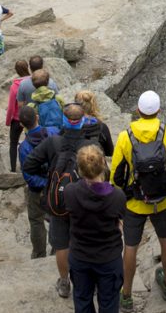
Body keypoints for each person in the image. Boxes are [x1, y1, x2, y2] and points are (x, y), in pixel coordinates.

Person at [22, 102, 106, 298]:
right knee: (87, 241)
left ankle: (64, 282)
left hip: (59, 201)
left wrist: (49, 180)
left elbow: (29, 165)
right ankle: (88, 281)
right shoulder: (91, 146)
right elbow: (102, 174)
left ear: (64, 120)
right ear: (82, 121)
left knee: (61, 244)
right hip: (85, 201)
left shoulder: (53, 142)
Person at [111, 90, 166, 313]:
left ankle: (126, 296)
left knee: (130, 247)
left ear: (138, 111)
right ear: (159, 111)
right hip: (162, 200)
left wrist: (121, 198)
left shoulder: (126, 136)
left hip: (134, 202)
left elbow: (116, 175)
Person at [65, 144, 126, 313]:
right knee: (108, 303)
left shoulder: (71, 192)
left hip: (80, 256)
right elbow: (120, 220)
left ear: (79, 170)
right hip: (107, 258)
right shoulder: (117, 196)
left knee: (82, 300)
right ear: (104, 166)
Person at [18, 104, 60, 259]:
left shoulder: (24, 148)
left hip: (37, 189)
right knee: (57, 216)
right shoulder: (54, 133)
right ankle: (57, 247)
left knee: (36, 220)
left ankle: (39, 253)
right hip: (56, 184)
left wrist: (42, 183)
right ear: (37, 117)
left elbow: (27, 174)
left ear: (22, 125)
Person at [6, 60, 31, 171]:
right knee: (30, 141)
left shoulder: (14, 86)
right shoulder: (34, 82)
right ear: (27, 67)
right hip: (31, 117)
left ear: (16, 71)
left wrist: (8, 121)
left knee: (13, 143)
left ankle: (12, 168)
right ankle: (28, 165)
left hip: (17, 118)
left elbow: (11, 106)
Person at [74, 89, 115, 156]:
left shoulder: (70, 126)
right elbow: (110, 152)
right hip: (96, 164)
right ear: (93, 105)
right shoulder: (102, 127)